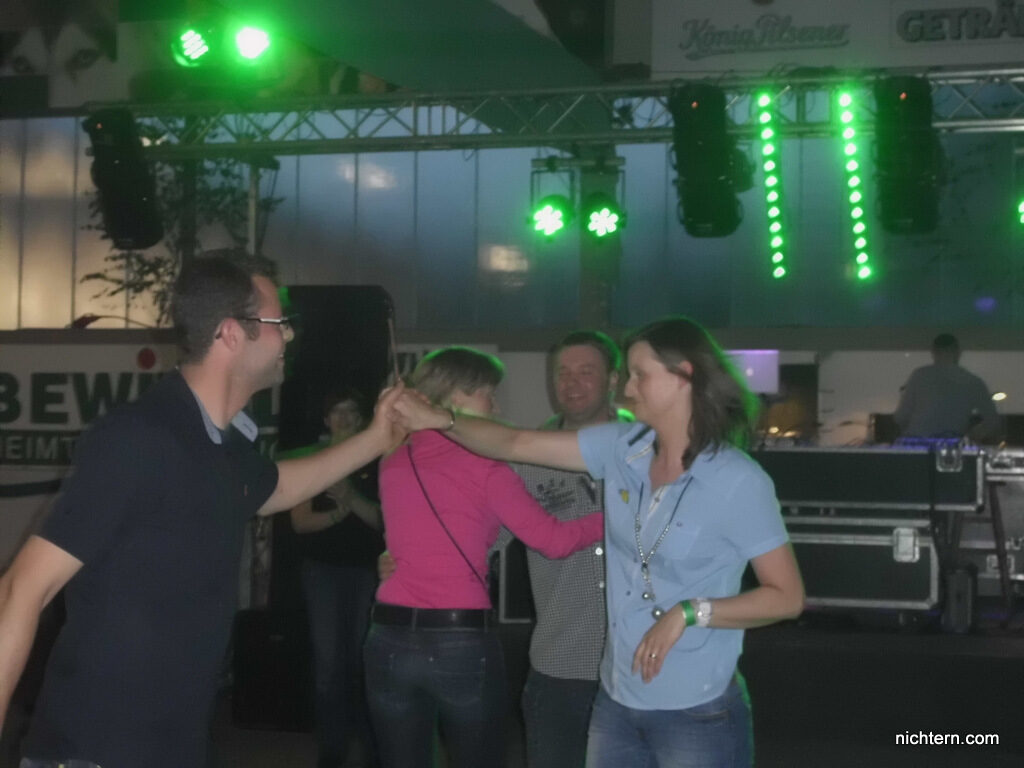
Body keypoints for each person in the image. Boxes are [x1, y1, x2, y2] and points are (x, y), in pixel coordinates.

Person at [0, 255, 404, 768]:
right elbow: (21, 590)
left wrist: (378, 438)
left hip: (173, 747)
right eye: (279, 323)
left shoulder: (223, 446)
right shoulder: (139, 438)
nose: (289, 336)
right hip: (95, 751)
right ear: (232, 333)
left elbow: (278, 486)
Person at [392, 318, 804, 768]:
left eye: (639, 375)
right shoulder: (623, 448)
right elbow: (514, 442)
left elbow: (786, 597)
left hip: (694, 709)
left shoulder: (738, 480)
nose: (628, 388)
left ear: (683, 376)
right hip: (616, 700)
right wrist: (441, 419)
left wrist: (691, 612)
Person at [364, 346, 604, 768]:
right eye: (487, 394)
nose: (496, 405)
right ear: (455, 396)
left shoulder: (393, 459)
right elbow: (553, 542)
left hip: (388, 635)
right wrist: (612, 515)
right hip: (459, 638)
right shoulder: (490, 466)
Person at [513, 331, 632, 768]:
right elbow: (481, 539)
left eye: (586, 372)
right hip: (561, 664)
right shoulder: (526, 457)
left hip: (642, 666)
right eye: (562, 373)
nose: (571, 383)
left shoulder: (648, 448)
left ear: (613, 379)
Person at [289, 390, 384, 768]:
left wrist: (349, 497)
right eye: (336, 412)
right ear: (325, 419)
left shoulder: (376, 459)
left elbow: (383, 521)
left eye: (351, 412)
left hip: (367, 571)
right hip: (322, 572)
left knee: (363, 662)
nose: (343, 418)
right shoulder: (313, 459)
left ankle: (371, 749)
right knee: (328, 666)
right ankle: (332, 752)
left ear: (361, 419)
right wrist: (339, 513)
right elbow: (300, 522)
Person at [893, 333, 1001, 442]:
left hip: (917, 442)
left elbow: (901, 416)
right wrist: (970, 437)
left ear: (934, 353)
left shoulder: (920, 375)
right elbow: (992, 421)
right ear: (958, 352)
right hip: (950, 443)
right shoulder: (973, 382)